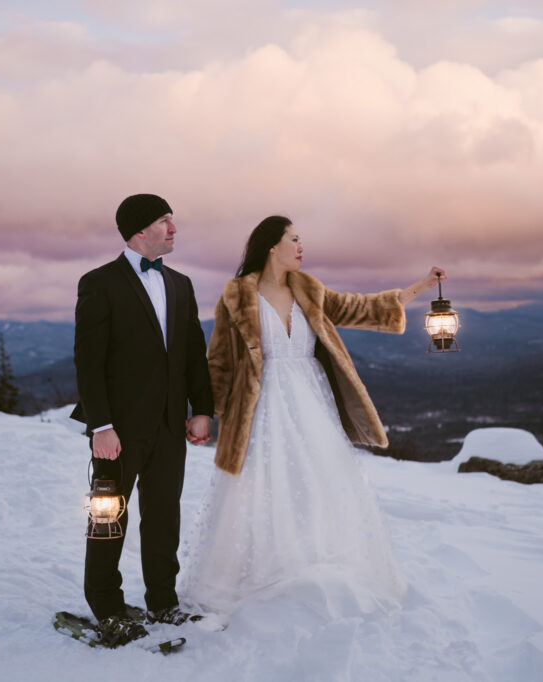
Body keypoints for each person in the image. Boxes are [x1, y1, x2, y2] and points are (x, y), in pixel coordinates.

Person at [179, 215, 445, 622]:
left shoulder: (310, 289)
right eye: (294, 239)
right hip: (259, 410)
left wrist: (419, 288)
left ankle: (317, 578)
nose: (301, 247)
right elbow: (218, 363)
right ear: (272, 246)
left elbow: (360, 307)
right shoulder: (236, 295)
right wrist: (203, 414)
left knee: (319, 486)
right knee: (259, 490)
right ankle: (258, 582)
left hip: (312, 405)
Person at [71, 193, 214, 646]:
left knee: (163, 517)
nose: (174, 229)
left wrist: (202, 409)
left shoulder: (182, 284)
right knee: (108, 518)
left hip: (171, 425)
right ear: (138, 231)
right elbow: (88, 362)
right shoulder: (99, 282)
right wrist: (101, 426)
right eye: (165, 222)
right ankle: (107, 607)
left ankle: (163, 603)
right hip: (117, 431)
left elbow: (193, 353)